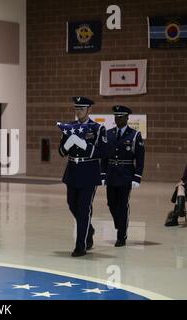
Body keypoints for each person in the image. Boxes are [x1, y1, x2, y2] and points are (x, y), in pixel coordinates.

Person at [58, 97, 108, 257]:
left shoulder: (97, 129)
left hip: (89, 172)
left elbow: (103, 152)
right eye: (76, 109)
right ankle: (89, 229)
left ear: (89, 110)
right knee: (71, 204)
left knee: (84, 208)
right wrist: (67, 145)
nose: (78, 111)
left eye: (81, 109)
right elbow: (61, 152)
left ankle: (81, 245)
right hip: (72, 171)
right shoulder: (69, 128)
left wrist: (83, 144)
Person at [101, 105, 145, 247]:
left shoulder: (134, 135)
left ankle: (122, 235)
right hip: (111, 174)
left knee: (122, 204)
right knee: (111, 203)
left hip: (126, 174)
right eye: (116, 116)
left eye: (120, 116)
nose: (118, 119)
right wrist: (102, 174)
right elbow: (104, 156)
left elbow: (140, 158)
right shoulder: (108, 133)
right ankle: (120, 224)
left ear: (127, 118)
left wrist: (137, 177)